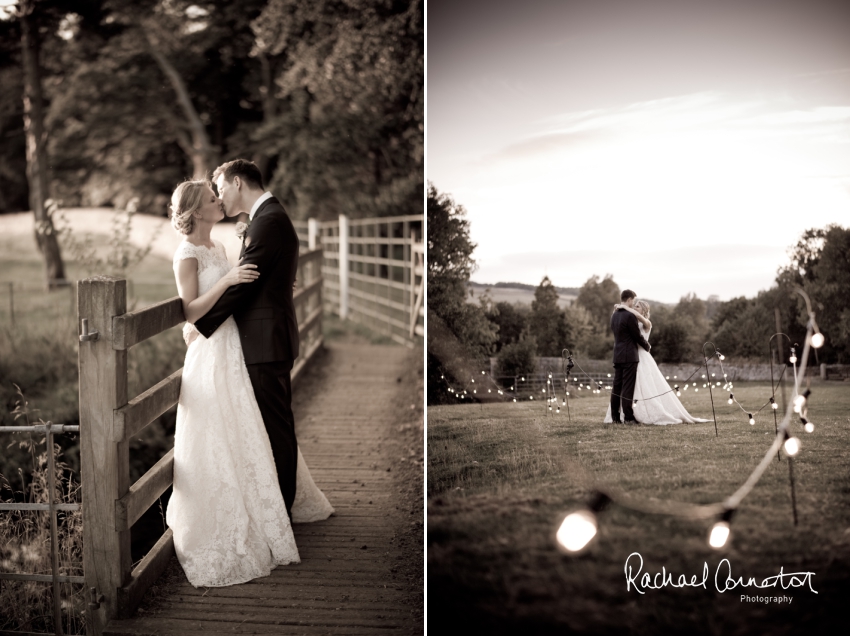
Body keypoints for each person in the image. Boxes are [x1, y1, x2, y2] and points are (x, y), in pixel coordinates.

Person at [166, 177, 333, 588]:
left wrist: (271, 283)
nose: (218, 200)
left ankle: (264, 506)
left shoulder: (219, 246)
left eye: (216, 193)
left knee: (245, 428)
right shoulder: (186, 254)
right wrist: (225, 281)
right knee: (217, 432)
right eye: (210, 199)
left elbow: (249, 282)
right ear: (195, 210)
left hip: (235, 347)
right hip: (210, 350)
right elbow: (190, 311)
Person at [604, 299, 709, 425]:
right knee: (628, 387)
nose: (635, 308)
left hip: (642, 357)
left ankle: (643, 413)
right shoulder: (631, 321)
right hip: (630, 356)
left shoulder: (647, 323)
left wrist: (624, 307)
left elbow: (637, 318)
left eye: (637, 306)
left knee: (645, 385)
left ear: (644, 310)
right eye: (634, 306)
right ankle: (626, 414)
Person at [606, 289, 650, 424]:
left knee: (617, 387)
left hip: (617, 354)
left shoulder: (614, 315)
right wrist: (647, 346)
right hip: (629, 355)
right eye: (633, 301)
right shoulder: (629, 316)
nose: (634, 304)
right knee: (627, 388)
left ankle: (615, 418)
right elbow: (636, 336)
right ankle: (629, 418)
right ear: (629, 299)